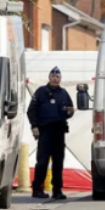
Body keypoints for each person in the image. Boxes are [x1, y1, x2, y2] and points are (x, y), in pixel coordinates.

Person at [27, 66, 75, 199]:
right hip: (45, 131)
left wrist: (70, 112)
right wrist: (34, 126)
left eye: (58, 77)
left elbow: (69, 110)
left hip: (59, 131)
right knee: (42, 161)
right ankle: (37, 189)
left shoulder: (63, 93)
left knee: (58, 162)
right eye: (53, 76)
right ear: (49, 77)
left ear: (60, 79)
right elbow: (31, 110)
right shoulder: (41, 92)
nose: (55, 78)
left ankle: (57, 190)